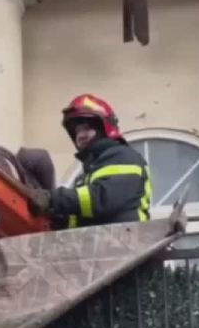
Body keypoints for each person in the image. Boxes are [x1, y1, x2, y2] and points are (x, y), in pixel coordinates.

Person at [40, 94, 152, 229]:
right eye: (77, 131)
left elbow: (103, 199)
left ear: (103, 128)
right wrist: (60, 219)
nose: (80, 136)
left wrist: (53, 199)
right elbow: (85, 219)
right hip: (104, 244)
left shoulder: (124, 157)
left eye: (86, 128)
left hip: (131, 243)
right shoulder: (89, 171)